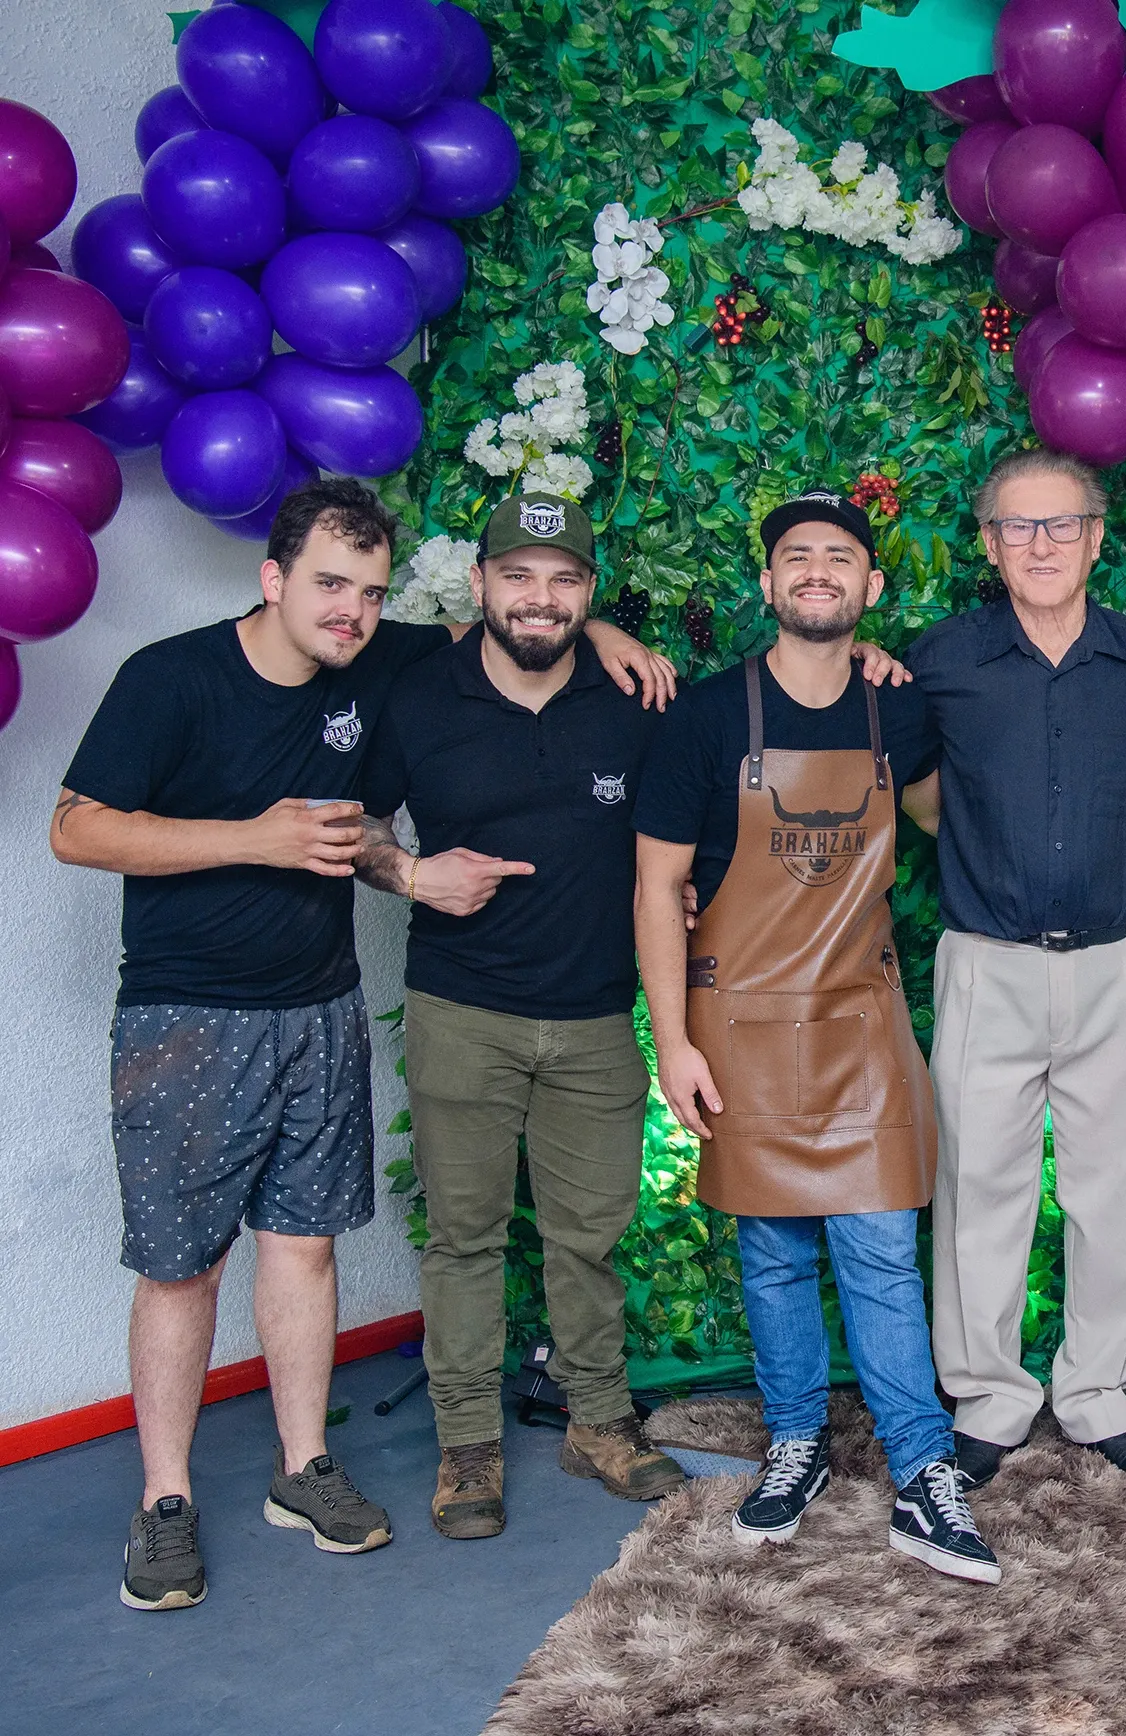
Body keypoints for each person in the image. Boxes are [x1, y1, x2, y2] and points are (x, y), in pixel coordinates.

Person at [50, 479, 673, 1611]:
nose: (349, 609)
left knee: (302, 1245)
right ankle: (167, 1500)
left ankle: (305, 1469)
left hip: (322, 1003)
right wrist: (265, 837)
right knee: (184, 1262)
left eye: (370, 591)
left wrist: (606, 628)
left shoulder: (380, 663)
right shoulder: (173, 677)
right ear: (273, 576)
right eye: (329, 584)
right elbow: (74, 826)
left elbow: (510, 617)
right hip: (187, 1013)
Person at [634, 488, 998, 1583]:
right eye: (797, 558)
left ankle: (922, 1473)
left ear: (869, 588)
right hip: (737, 1023)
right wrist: (672, 1044)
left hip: (861, 1022)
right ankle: (794, 1444)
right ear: (767, 585)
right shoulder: (704, 718)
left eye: (839, 558)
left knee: (884, 1251)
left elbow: (942, 822)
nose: (817, 573)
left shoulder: (902, 712)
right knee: (774, 1253)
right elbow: (657, 885)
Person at [358, 494, 686, 1540]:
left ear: (588, 594)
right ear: (482, 585)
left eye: (564, 580)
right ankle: (467, 1447)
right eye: (519, 576)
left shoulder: (636, 698)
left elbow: (674, 847)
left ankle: (598, 1420)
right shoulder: (419, 697)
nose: (539, 599)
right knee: (465, 1237)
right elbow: (360, 830)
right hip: (463, 1010)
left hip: (595, 1020)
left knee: (589, 1239)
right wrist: (411, 873)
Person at [905, 448, 1126, 1488]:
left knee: (1113, 1184)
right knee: (976, 1183)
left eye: (1061, 523)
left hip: (1118, 960)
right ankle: (987, 1394)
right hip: (987, 961)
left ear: (1097, 533)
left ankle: (1097, 1389)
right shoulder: (937, 658)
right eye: (1018, 527)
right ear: (988, 543)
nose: (1041, 544)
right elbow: (891, 779)